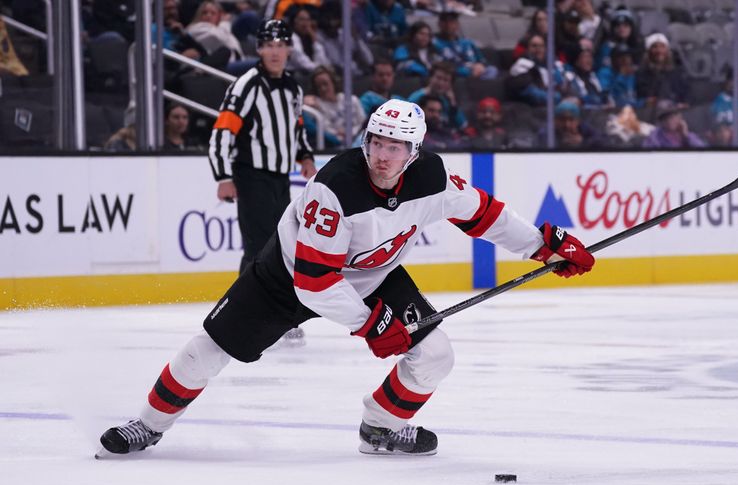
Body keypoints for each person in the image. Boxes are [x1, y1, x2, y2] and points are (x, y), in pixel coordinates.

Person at [97, 98, 596, 458]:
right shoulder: (334, 187)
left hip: (373, 276)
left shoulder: (433, 178)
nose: (382, 155)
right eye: (376, 142)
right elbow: (315, 283)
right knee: (205, 352)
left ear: (414, 153)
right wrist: (371, 326)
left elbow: (484, 215)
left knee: (437, 354)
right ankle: (147, 425)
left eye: (395, 147)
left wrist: (541, 246)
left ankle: (381, 428)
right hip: (288, 276)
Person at [208, 18, 316, 343]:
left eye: (281, 45)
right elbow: (223, 131)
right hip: (251, 175)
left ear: (289, 49)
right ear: (258, 49)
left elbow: (296, 129)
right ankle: (245, 315)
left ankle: (266, 313)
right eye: (269, 44)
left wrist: (305, 156)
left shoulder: (294, 87)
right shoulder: (246, 85)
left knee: (280, 245)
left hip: (280, 176)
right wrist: (223, 176)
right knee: (258, 247)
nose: (275, 51)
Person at [303, 66, 367, 147]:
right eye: (318, 86)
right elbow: (327, 131)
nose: (323, 88)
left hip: (359, 140)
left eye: (325, 84)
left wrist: (349, 132)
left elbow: (363, 122)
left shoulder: (352, 100)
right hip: (337, 146)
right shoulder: (317, 105)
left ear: (333, 82)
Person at [433, 11, 498, 80]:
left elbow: (482, 60)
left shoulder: (467, 42)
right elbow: (439, 65)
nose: (448, 25)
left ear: (457, 25)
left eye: (452, 22)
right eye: (445, 22)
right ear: (439, 24)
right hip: (456, 76)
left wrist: (480, 66)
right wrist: (469, 71)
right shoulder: (435, 43)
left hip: (477, 73)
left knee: (492, 70)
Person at [642, 100, 706, 149]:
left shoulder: (688, 135)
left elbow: (703, 152)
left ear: (679, 117)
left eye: (672, 117)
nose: (669, 121)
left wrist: (685, 137)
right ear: (660, 121)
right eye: (665, 118)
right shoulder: (654, 137)